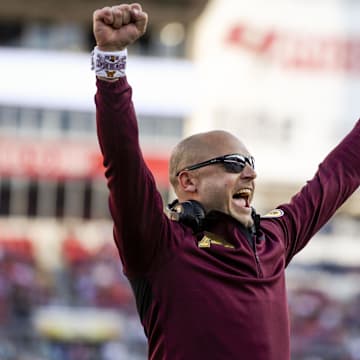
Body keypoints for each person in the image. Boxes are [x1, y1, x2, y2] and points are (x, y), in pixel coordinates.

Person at [92, 3, 360, 359]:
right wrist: (111, 62)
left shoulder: (274, 239)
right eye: (234, 164)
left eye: (250, 163)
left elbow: (339, 174)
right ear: (188, 182)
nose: (250, 173)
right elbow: (122, 158)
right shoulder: (159, 245)